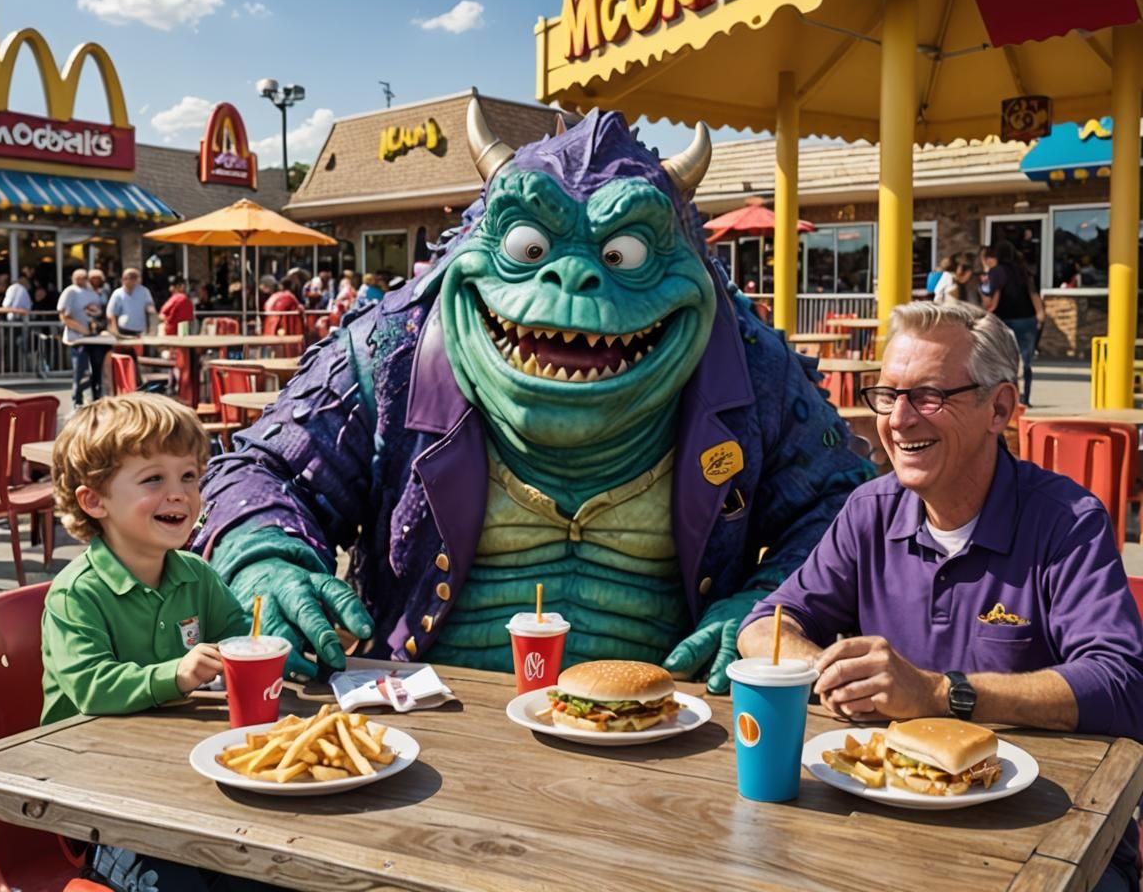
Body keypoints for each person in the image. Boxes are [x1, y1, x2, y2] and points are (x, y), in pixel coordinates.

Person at [195, 106, 872, 695]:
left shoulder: (751, 368)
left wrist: (769, 608)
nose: (572, 276)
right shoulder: (389, 352)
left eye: (623, 252)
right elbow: (257, 471)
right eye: (530, 247)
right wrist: (267, 558)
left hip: (663, 725)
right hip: (425, 715)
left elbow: (846, 503)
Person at [738, 301, 1143, 891]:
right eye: (888, 394)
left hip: (1052, 830)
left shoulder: (1066, 520)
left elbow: (1123, 684)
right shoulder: (870, 511)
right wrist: (828, 671)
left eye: (928, 396)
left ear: (998, 408)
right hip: (888, 818)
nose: (898, 420)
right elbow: (766, 623)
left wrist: (935, 693)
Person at [42, 393, 282, 892]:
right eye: (154, 479)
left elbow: (241, 635)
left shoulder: (195, 574)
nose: (180, 494)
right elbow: (89, 687)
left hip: (183, 781)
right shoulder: (76, 593)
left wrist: (271, 642)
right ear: (94, 501)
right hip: (98, 796)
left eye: (189, 476)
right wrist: (177, 673)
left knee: (271, 873)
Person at [983, 240, 1044, 406]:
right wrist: (1040, 313)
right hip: (1027, 318)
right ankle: (1026, 397)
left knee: (1006, 360)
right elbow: (1033, 292)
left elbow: (993, 296)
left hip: (1005, 319)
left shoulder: (996, 272)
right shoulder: (1024, 271)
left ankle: (1011, 397)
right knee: (1026, 360)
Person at [57, 269, 108, 408]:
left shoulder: (93, 293)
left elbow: (98, 313)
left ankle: (96, 399)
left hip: (93, 338)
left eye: (84, 277)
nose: (82, 279)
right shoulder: (70, 291)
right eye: (78, 277)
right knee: (80, 370)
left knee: (96, 370)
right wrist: (82, 329)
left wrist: (94, 323)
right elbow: (63, 316)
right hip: (77, 338)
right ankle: (77, 401)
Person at [106, 268, 156, 337]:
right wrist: (115, 331)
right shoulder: (117, 293)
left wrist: (150, 309)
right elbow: (111, 314)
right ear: (123, 279)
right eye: (128, 278)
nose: (131, 280)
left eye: (134, 278)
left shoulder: (144, 291)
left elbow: (150, 306)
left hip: (140, 330)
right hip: (123, 330)